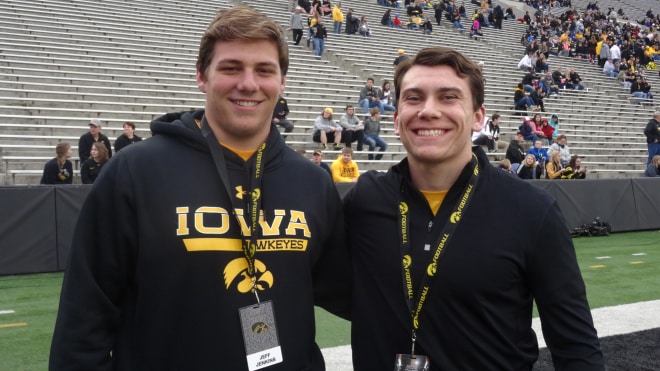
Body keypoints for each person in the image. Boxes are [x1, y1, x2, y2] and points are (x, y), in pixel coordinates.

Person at [50, 8, 351, 370]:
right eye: (231, 68)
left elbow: (353, 293)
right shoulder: (136, 170)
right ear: (201, 76)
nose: (248, 83)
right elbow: (84, 317)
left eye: (264, 70)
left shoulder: (313, 181)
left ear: (282, 83)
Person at [344, 46, 603, 370]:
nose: (428, 110)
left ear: (478, 117)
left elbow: (576, 345)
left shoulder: (531, 210)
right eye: (413, 98)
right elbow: (291, 282)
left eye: (448, 97)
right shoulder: (364, 201)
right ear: (396, 120)